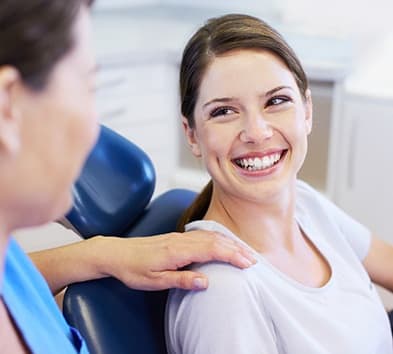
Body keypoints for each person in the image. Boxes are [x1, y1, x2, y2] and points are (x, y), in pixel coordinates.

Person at [0, 2, 257, 352]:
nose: (95, 131)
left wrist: (100, 254)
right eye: (87, 88)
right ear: (7, 107)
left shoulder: (10, 261)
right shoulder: (222, 296)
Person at [165, 13, 393, 354]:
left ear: (306, 111)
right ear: (192, 135)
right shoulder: (223, 293)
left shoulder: (305, 203)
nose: (257, 133)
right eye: (224, 111)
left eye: (276, 101)